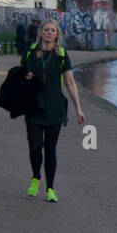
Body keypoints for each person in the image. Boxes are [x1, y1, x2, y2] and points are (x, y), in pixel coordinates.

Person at [20, 19, 86, 203]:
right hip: (34, 105)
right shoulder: (30, 53)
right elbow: (20, 77)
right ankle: (36, 176)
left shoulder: (62, 55)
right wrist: (27, 77)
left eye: (53, 30)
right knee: (34, 147)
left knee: (50, 149)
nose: (49, 33)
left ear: (57, 34)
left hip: (54, 105)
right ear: (41, 32)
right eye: (46, 30)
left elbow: (70, 83)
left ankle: (50, 188)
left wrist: (78, 108)